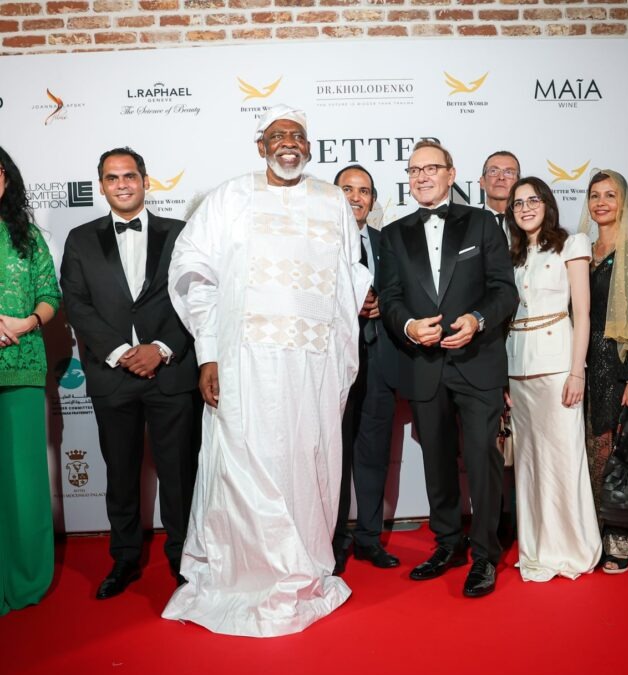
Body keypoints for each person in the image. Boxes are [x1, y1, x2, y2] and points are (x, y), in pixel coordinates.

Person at [162, 105, 372, 636]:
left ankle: (304, 563)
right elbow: (193, 274)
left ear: (309, 146)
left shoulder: (331, 200)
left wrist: (340, 354)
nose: (288, 143)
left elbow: (348, 279)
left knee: (305, 463)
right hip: (244, 365)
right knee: (243, 462)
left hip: (312, 371)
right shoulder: (229, 197)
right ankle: (242, 573)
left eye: (297, 135)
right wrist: (209, 351)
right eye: (278, 135)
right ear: (261, 146)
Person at [60, 147, 201, 599]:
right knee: (120, 472)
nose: (122, 184)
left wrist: (161, 349)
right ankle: (124, 558)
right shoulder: (81, 239)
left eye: (129, 176)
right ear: (101, 186)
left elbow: (195, 297)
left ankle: (185, 557)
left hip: (170, 372)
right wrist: (122, 352)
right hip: (113, 376)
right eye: (112, 177)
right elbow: (76, 304)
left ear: (145, 181)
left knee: (179, 473)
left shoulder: (180, 233)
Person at [378, 140, 516, 598]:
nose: (421, 176)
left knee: (481, 459)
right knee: (437, 462)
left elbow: (504, 290)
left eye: (430, 168)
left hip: (478, 363)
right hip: (424, 365)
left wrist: (477, 320)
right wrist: (409, 326)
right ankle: (448, 543)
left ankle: (485, 554)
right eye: (414, 170)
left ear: (451, 174)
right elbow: (390, 298)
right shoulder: (394, 234)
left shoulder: (482, 223)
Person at [505, 176, 601, 582]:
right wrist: (504, 380)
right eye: (518, 203)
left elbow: (583, 313)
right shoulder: (511, 255)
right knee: (529, 466)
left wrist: (578, 371)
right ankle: (538, 547)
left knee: (564, 458)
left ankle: (574, 546)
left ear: (547, 203)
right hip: (518, 368)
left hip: (559, 366)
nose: (525, 208)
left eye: (533, 200)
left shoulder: (572, 244)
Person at [578, 169, 628, 574]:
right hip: (584, 365)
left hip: (619, 367)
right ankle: (595, 530)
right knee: (592, 451)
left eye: (610, 195)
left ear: (623, 202)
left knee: (619, 451)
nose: (601, 202)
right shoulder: (581, 250)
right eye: (595, 195)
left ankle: (623, 536)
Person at [0, 147, 61, 615]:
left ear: (7, 179)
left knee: (23, 479)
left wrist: (27, 322)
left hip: (21, 363)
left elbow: (49, 294)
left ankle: (25, 576)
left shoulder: (27, 235)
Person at [332, 164, 400, 573]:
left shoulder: (385, 241)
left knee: (374, 455)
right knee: (334, 457)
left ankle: (369, 539)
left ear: (373, 200)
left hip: (379, 362)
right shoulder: (318, 242)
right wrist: (349, 303)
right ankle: (333, 539)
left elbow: (403, 292)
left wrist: (382, 306)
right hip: (334, 364)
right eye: (347, 189)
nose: (356, 197)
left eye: (364, 191)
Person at [479, 151, 520, 245]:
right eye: (493, 171)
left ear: (519, 183)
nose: (501, 177)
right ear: (482, 182)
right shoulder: (469, 225)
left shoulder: (529, 224)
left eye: (509, 172)